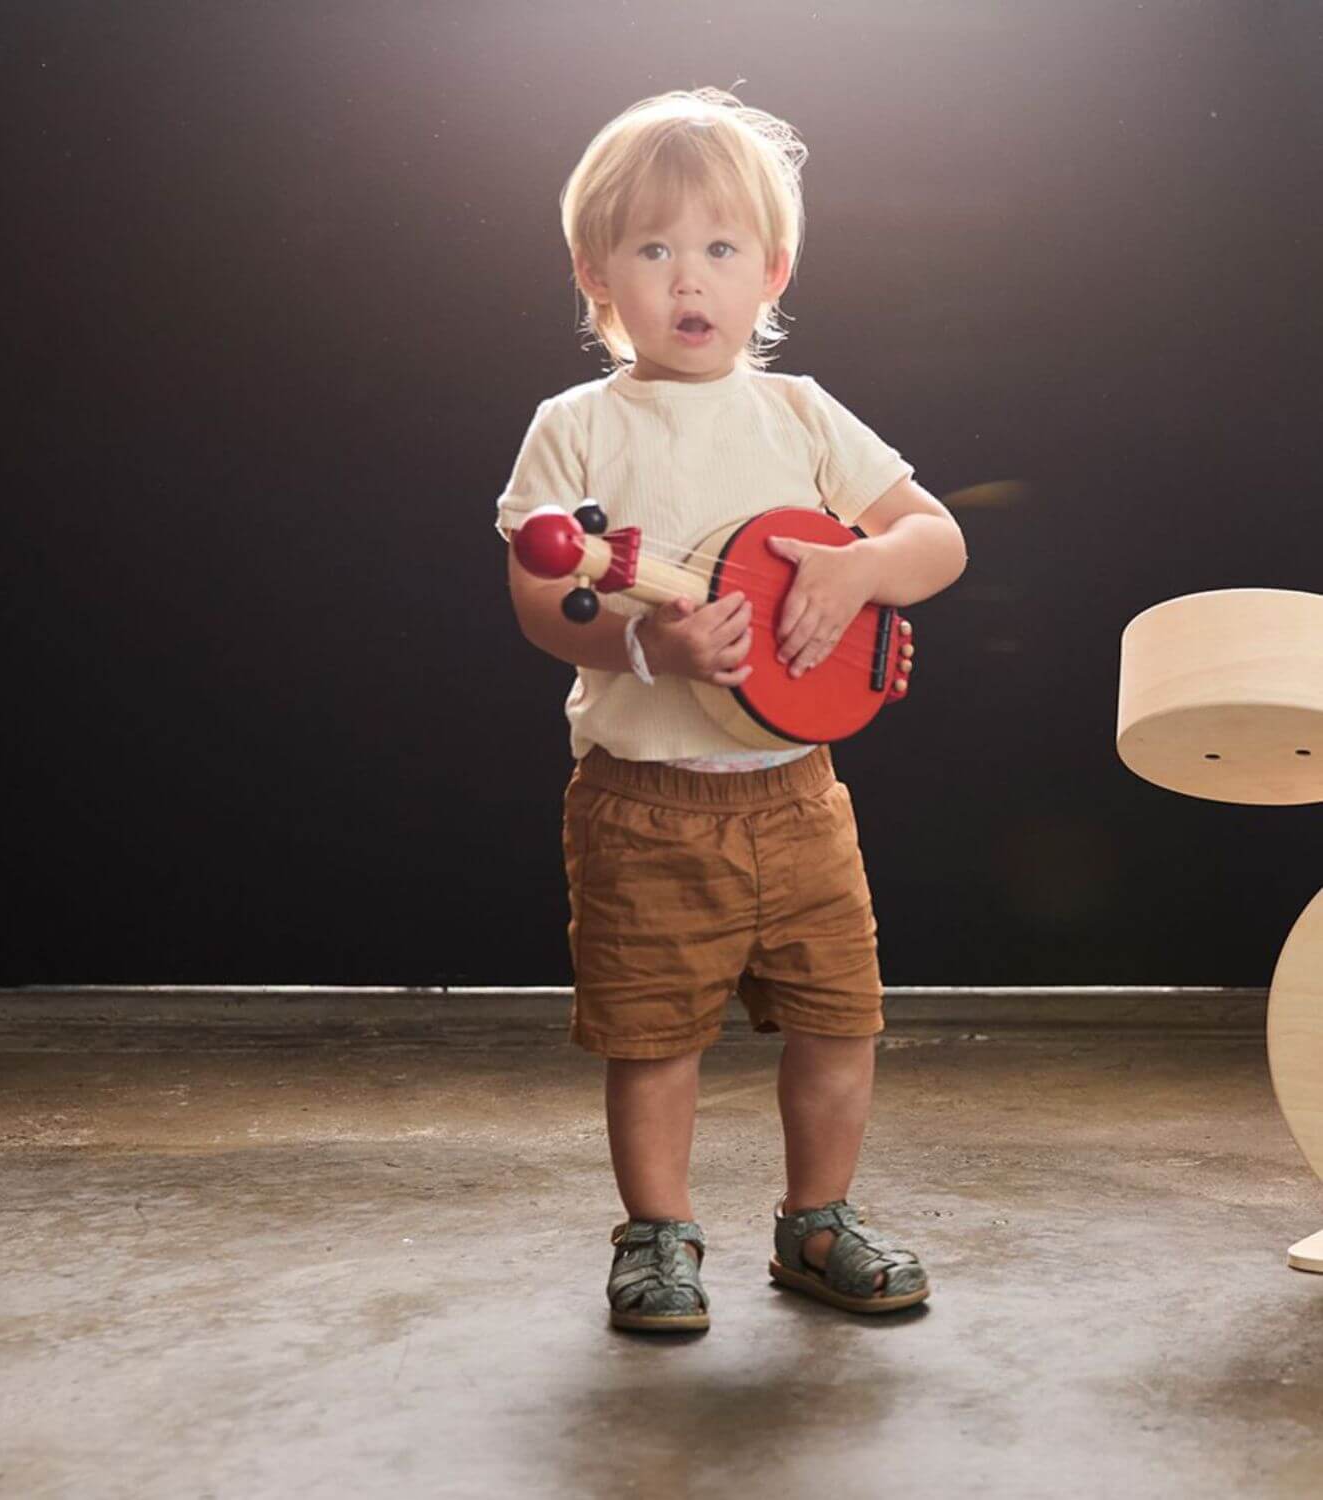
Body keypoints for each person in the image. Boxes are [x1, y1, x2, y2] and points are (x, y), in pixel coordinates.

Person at [494, 87, 968, 1331]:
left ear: (773, 271)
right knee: (654, 1035)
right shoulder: (576, 430)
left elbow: (937, 540)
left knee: (838, 1017)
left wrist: (861, 569)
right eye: (653, 250)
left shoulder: (802, 413)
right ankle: (658, 1235)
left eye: (718, 249)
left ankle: (818, 1222)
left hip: (801, 796)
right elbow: (546, 604)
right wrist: (652, 639)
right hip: (643, 803)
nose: (687, 279)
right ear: (596, 275)